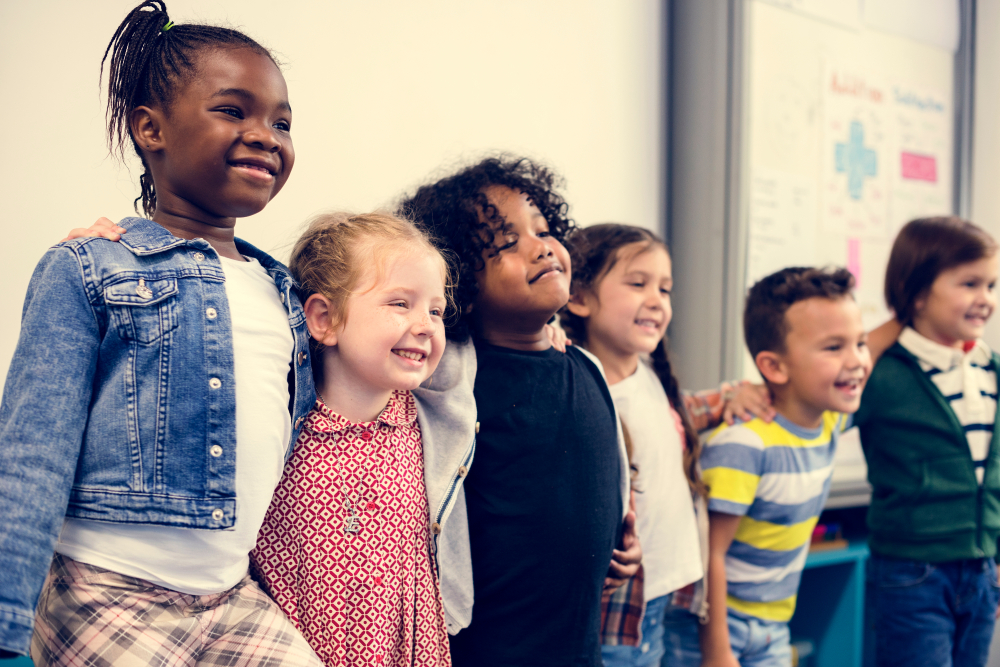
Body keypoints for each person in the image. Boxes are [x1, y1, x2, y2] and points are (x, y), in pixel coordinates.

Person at [0, 2, 323, 664]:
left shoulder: (286, 292)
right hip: (103, 589)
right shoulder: (89, 267)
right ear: (151, 128)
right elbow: (31, 458)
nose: (265, 133)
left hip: (229, 596)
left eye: (281, 121)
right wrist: (6, 631)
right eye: (234, 110)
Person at [399, 156, 639, 667]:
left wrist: (619, 532)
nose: (541, 246)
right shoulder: (448, 383)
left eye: (544, 229)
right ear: (458, 278)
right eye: (506, 243)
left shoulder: (586, 366)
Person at [559, 223, 773, 667]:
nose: (657, 300)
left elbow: (678, 415)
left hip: (665, 600)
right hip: (614, 622)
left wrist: (730, 396)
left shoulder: (650, 375)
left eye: (665, 288)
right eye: (638, 284)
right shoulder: (578, 389)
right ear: (578, 298)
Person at [249, 211, 456, 666]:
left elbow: (506, 336)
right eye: (400, 303)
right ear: (324, 319)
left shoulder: (430, 413)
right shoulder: (278, 423)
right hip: (294, 650)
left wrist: (553, 328)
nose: (424, 323)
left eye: (436, 310)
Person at [700, 267, 872, 667]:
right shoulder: (745, 444)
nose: (857, 361)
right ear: (774, 367)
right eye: (834, 348)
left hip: (775, 626)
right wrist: (717, 648)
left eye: (859, 343)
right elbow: (710, 555)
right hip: (720, 627)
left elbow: (873, 350)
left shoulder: (829, 421)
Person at [855, 216, 1000, 667]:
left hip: (982, 569)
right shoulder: (881, 371)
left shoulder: (990, 367)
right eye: (970, 283)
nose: (986, 300)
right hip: (910, 571)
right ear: (916, 291)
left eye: (992, 285)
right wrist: (888, 330)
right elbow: (816, 392)